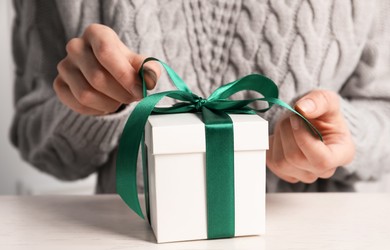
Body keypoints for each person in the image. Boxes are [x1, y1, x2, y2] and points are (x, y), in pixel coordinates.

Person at [10, 0, 390, 193]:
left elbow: (383, 113)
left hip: (311, 244)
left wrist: (342, 133)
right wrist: (91, 108)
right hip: (129, 244)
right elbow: (33, 134)